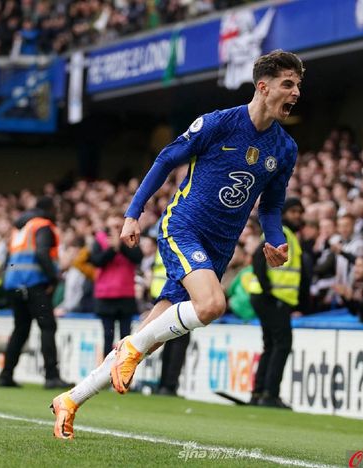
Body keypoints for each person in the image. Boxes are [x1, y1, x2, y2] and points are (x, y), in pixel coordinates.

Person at [51, 49, 305, 439]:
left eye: (299, 85)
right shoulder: (220, 123)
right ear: (263, 86)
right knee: (212, 304)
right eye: (288, 83)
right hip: (183, 227)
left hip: (219, 247)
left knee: (144, 340)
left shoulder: (284, 148)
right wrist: (133, 213)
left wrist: (275, 239)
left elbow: (270, 204)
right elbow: (167, 159)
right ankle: (131, 352)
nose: (296, 92)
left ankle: (71, 399)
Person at [0, 196, 71, 389]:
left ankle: (6, 374)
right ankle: (51, 376)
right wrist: (54, 278)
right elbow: (41, 253)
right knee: (48, 326)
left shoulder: (21, 228)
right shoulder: (42, 225)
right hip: (33, 283)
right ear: (48, 209)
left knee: (21, 329)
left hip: (14, 283)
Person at [247, 197, 309, 409]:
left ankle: (259, 392)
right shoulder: (281, 234)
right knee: (281, 344)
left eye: (300, 212)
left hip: (267, 297)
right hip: (273, 299)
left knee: (271, 344)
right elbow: (257, 259)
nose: (298, 216)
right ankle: (270, 394)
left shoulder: (287, 234)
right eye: (294, 212)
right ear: (284, 214)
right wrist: (269, 292)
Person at [90, 211, 142, 359]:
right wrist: (112, 249)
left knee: (126, 337)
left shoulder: (130, 239)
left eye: (118, 224)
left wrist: (121, 247)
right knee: (108, 336)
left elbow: (137, 257)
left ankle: (123, 373)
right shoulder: (99, 240)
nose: (115, 227)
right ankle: (106, 373)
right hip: (106, 295)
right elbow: (96, 261)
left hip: (125, 294)